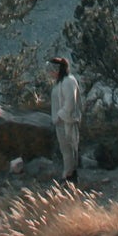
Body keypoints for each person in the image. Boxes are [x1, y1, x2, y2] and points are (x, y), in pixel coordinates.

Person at [47, 52, 83, 180]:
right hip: (61, 122)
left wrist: (59, 116)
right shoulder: (60, 83)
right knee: (65, 150)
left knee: (70, 148)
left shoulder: (69, 81)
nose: (49, 72)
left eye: (51, 69)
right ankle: (68, 174)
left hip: (68, 121)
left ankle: (70, 176)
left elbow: (70, 103)